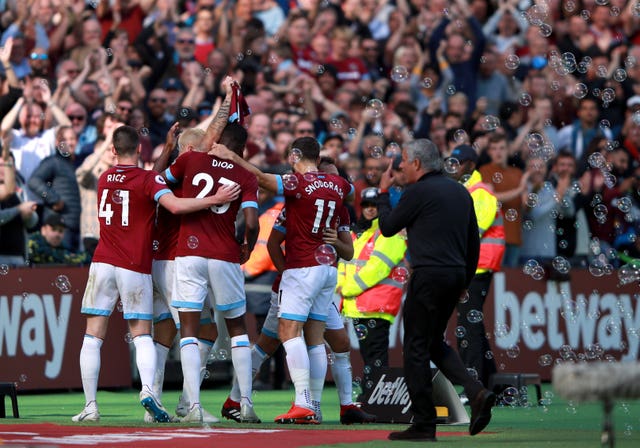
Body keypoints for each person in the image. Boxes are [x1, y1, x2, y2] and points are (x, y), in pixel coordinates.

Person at [72, 125, 239, 423]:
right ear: (139, 149)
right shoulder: (150, 181)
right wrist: (213, 199)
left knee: (92, 335)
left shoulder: (103, 178)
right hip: (137, 265)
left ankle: (90, 406)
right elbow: (171, 203)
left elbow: (147, 180)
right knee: (142, 335)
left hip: (101, 262)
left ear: (112, 150)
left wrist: (166, 149)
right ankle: (152, 392)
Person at [209, 137, 353, 423]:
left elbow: (262, 179)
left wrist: (231, 156)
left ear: (295, 155)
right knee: (298, 341)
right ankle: (246, 400)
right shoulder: (340, 187)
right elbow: (346, 191)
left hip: (301, 271)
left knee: (286, 335)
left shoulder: (296, 185)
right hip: (323, 271)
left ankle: (303, 404)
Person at [377, 138, 495, 441]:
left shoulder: (417, 191)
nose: (400, 166)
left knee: (415, 346)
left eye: (403, 160)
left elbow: (388, 227)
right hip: (455, 274)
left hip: (428, 275)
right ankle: (476, 391)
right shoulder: (460, 191)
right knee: (431, 343)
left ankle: (424, 423)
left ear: (416, 163)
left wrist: (381, 193)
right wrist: (463, 282)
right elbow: (474, 244)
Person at [164, 123, 260, 424]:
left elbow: (160, 181)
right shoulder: (245, 175)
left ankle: (192, 404)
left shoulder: (190, 160)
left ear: (217, 140)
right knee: (237, 328)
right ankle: (245, 403)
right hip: (225, 255)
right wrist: (247, 247)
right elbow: (253, 222)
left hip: (188, 253)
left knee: (190, 330)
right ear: (242, 150)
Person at [448, 144, 505, 389]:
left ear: (470, 165)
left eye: (458, 163)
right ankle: (494, 385)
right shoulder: (466, 191)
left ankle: (475, 385)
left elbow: (473, 231)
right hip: (473, 265)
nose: (453, 167)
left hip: (478, 266)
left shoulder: (480, 193)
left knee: (468, 326)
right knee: (473, 325)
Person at [337, 187, 408, 384]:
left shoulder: (390, 233)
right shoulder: (359, 234)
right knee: (370, 358)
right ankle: (372, 397)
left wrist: (347, 288)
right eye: (366, 205)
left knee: (375, 357)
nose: (369, 209)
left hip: (377, 304)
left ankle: (375, 398)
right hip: (360, 305)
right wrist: (341, 284)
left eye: (374, 205)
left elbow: (378, 268)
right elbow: (345, 262)